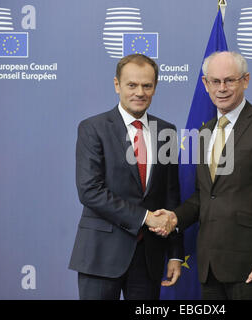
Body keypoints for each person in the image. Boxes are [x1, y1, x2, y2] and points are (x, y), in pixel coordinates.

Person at [151, 51, 252, 300]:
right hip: (209, 266)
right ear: (205, 84)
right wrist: (174, 217)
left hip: (249, 267)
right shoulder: (205, 131)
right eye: (215, 81)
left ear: (245, 81)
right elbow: (204, 196)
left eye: (230, 80)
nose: (222, 88)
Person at [68, 54, 184, 300]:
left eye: (147, 85)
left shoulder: (167, 131)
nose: (140, 92)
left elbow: (171, 195)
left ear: (155, 87)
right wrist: (146, 218)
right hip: (101, 255)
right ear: (117, 85)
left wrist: (175, 253)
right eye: (132, 85)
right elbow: (90, 191)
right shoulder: (93, 128)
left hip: (148, 258)